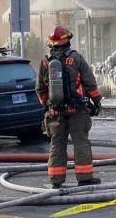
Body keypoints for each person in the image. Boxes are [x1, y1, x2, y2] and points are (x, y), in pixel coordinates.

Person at [37, 26, 102, 189]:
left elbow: (40, 88)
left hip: (55, 112)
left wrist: (49, 105)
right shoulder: (76, 58)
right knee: (80, 142)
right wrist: (97, 102)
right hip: (77, 110)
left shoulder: (46, 61)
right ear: (68, 41)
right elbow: (90, 83)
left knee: (57, 144)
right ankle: (84, 178)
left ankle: (56, 181)